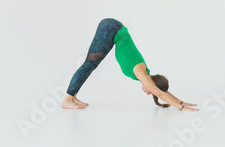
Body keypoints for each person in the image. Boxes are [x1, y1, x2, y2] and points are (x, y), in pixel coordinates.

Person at [61, 18, 198, 111]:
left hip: (114, 30)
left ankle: (73, 97)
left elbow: (162, 91)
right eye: (151, 92)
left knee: (91, 65)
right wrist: (181, 108)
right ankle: (67, 99)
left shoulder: (147, 74)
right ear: (153, 85)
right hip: (111, 29)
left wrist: (180, 101)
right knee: (89, 64)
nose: (148, 93)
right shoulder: (141, 73)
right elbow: (160, 93)